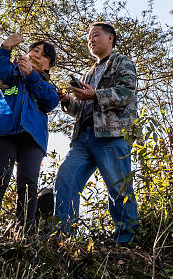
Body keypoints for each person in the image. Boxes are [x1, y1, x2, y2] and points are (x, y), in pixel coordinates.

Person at [54, 22, 140, 245]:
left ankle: (126, 241)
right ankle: (64, 237)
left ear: (110, 37)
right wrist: (67, 102)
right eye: (88, 38)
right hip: (84, 138)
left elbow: (127, 93)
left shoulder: (122, 62)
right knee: (65, 179)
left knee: (118, 187)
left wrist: (96, 95)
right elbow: (82, 109)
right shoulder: (89, 72)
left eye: (95, 35)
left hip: (112, 135)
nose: (90, 40)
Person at [0, 32, 59, 236]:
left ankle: (24, 230)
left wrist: (31, 76)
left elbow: (50, 102)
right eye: (34, 50)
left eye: (42, 54)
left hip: (32, 137)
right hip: (2, 130)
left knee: (28, 182)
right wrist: (5, 47)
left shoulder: (46, 85)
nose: (36, 54)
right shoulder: (10, 72)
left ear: (48, 66)